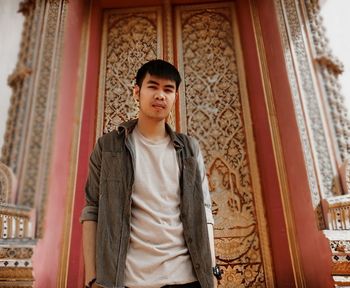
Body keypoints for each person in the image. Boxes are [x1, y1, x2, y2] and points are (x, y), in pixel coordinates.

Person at [80, 59, 221, 288]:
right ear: (137, 92)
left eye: (168, 89)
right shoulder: (108, 147)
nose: (160, 95)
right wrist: (92, 278)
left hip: (187, 278)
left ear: (175, 97)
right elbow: (92, 210)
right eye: (152, 86)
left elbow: (204, 211)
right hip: (127, 280)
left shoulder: (189, 149)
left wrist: (212, 272)